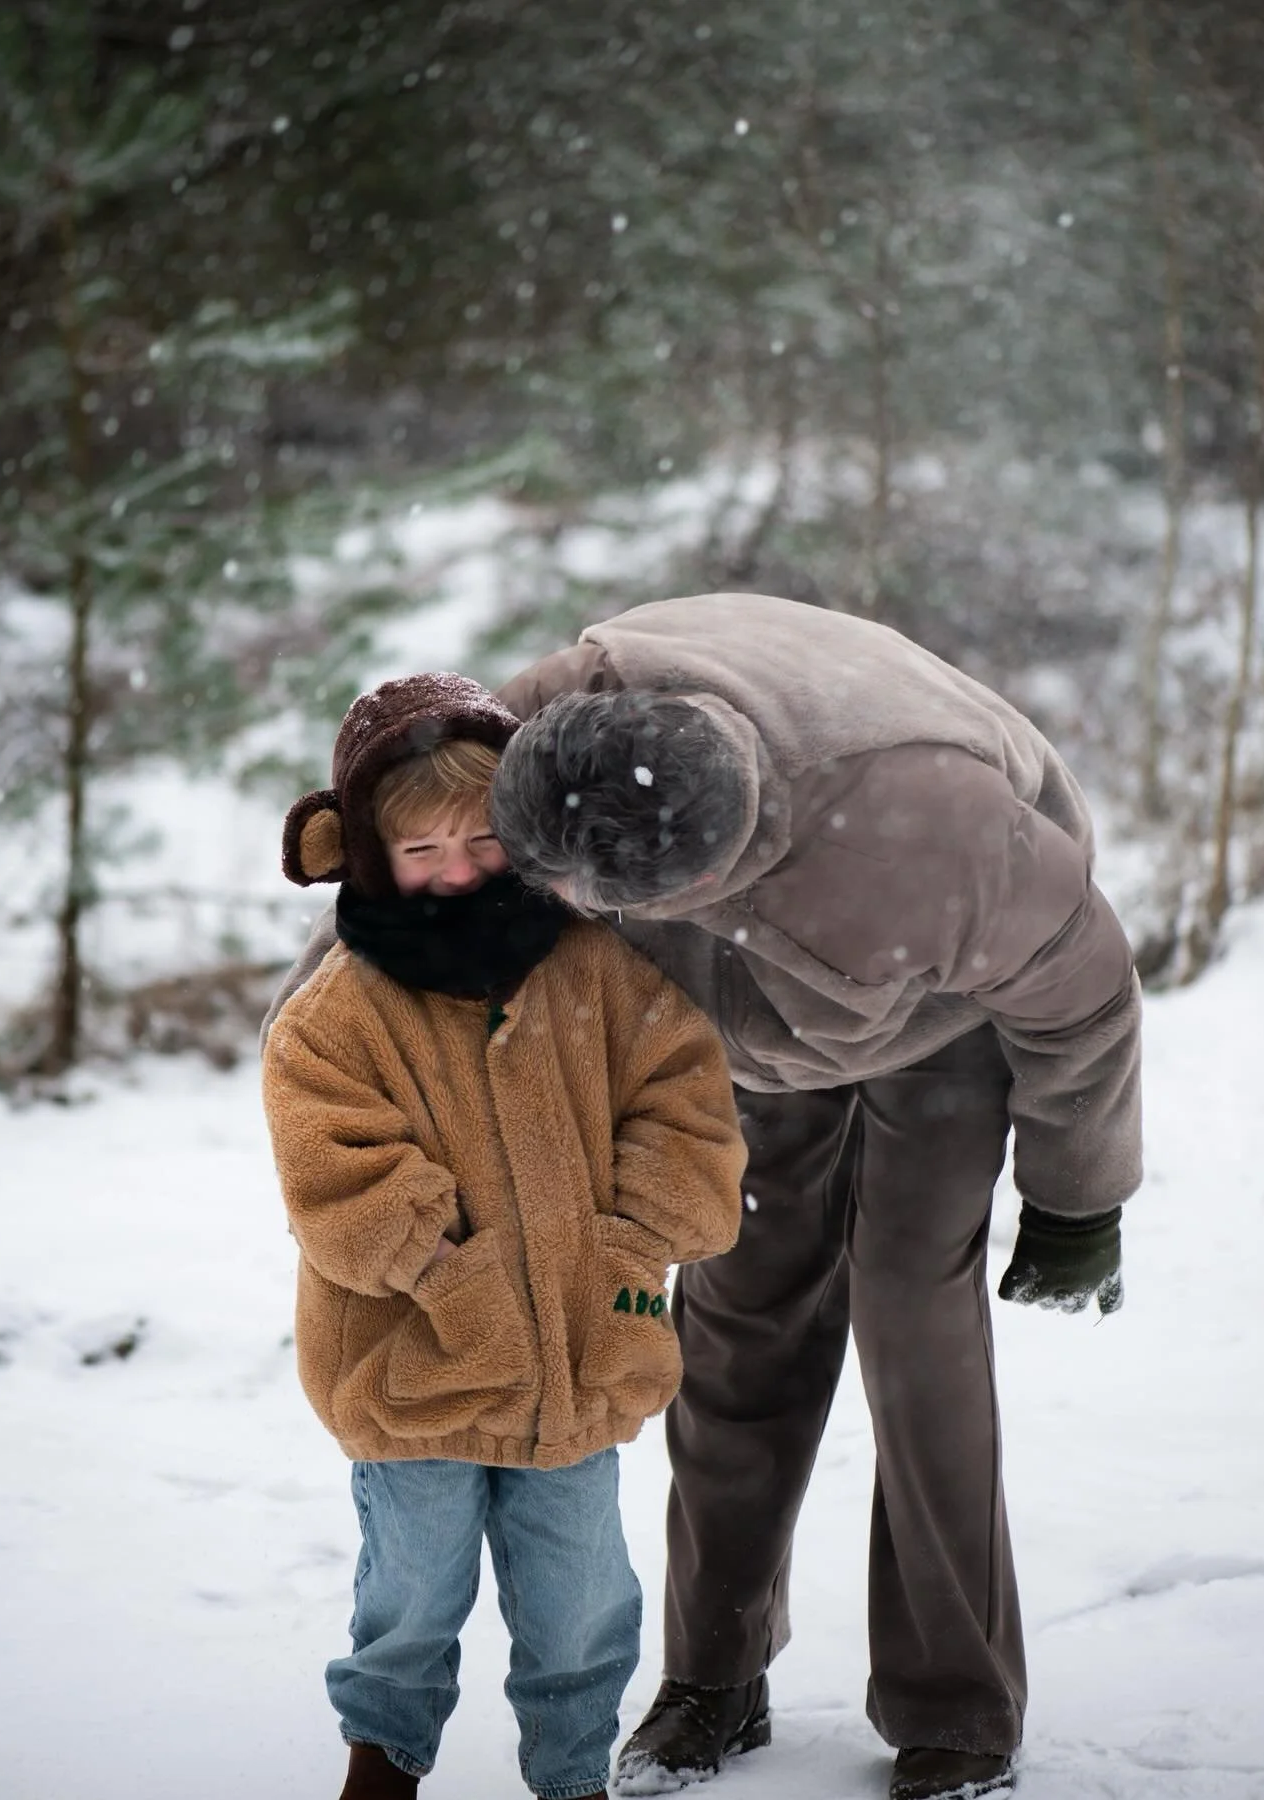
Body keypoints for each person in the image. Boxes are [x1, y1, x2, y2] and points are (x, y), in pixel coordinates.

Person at [481, 593, 1143, 1800]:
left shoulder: (934, 830)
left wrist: (1077, 1199)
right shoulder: (543, 732)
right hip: (732, 1031)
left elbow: (1086, 996)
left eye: (607, 905)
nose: (579, 917)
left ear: (725, 868)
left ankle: (958, 1709)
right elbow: (402, 886)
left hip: (939, 1009)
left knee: (916, 1332)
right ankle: (712, 1678)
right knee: (735, 1320)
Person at [261, 672, 747, 1800]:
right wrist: (447, 1272)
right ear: (367, 853)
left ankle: (572, 1774)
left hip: (583, 1362)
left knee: (581, 1599)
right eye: (421, 850)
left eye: (483, 839)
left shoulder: (595, 972)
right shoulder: (337, 1012)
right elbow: (335, 1171)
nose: (458, 869)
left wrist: (630, 1246)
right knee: (411, 1594)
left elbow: (685, 1105)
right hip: (412, 1368)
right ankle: (381, 1764)